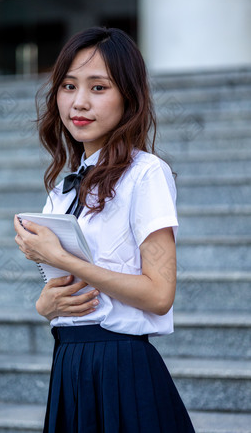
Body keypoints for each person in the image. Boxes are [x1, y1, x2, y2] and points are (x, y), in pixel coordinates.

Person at [14, 27, 195, 433]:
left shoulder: (146, 174)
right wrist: (47, 306)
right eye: (68, 86)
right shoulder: (63, 188)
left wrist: (58, 256)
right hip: (70, 364)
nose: (79, 102)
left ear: (128, 97)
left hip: (122, 365)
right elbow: (62, 296)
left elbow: (159, 294)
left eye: (99, 87)